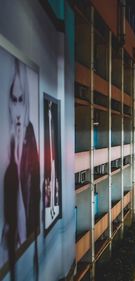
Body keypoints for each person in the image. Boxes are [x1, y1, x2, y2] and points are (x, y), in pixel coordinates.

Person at [2, 58, 41, 279]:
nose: (17, 108)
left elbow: (33, 195)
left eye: (21, 100)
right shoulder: (8, 150)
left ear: (26, 105)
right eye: (13, 100)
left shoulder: (30, 142)